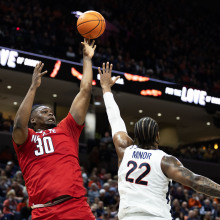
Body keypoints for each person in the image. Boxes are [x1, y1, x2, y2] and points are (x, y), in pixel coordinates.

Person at [98, 62, 220, 220]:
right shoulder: (165, 161)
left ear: (135, 137)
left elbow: (115, 118)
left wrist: (106, 88)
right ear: (157, 136)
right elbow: (196, 181)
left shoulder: (124, 150)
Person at [12, 39, 96, 220]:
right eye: (44, 112)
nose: (51, 114)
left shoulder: (67, 128)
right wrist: (33, 87)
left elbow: (85, 91)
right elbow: (19, 125)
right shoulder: (27, 139)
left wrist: (87, 59)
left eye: (51, 112)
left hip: (75, 206)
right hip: (43, 211)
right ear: (32, 120)